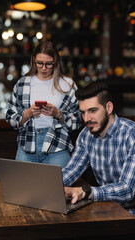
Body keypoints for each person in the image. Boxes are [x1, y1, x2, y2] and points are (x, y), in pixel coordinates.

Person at [62, 81, 135, 239]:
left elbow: (128, 190)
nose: (87, 118)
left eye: (93, 110)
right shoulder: (86, 135)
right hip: (110, 209)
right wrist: (48, 187)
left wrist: (86, 192)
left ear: (109, 108)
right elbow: (71, 171)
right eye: (83, 112)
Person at [6, 40, 81, 168]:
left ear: (55, 62)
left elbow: (77, 121)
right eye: (39, 63)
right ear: (33, 60)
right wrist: (28, 113)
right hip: (27, 145)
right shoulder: (22, 83)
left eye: (48, 64)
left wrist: (58, 114)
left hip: (57, 145)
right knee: (22, 187)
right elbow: (10, 119)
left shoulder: (67, 84)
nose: (44, 68)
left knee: (58, 187)